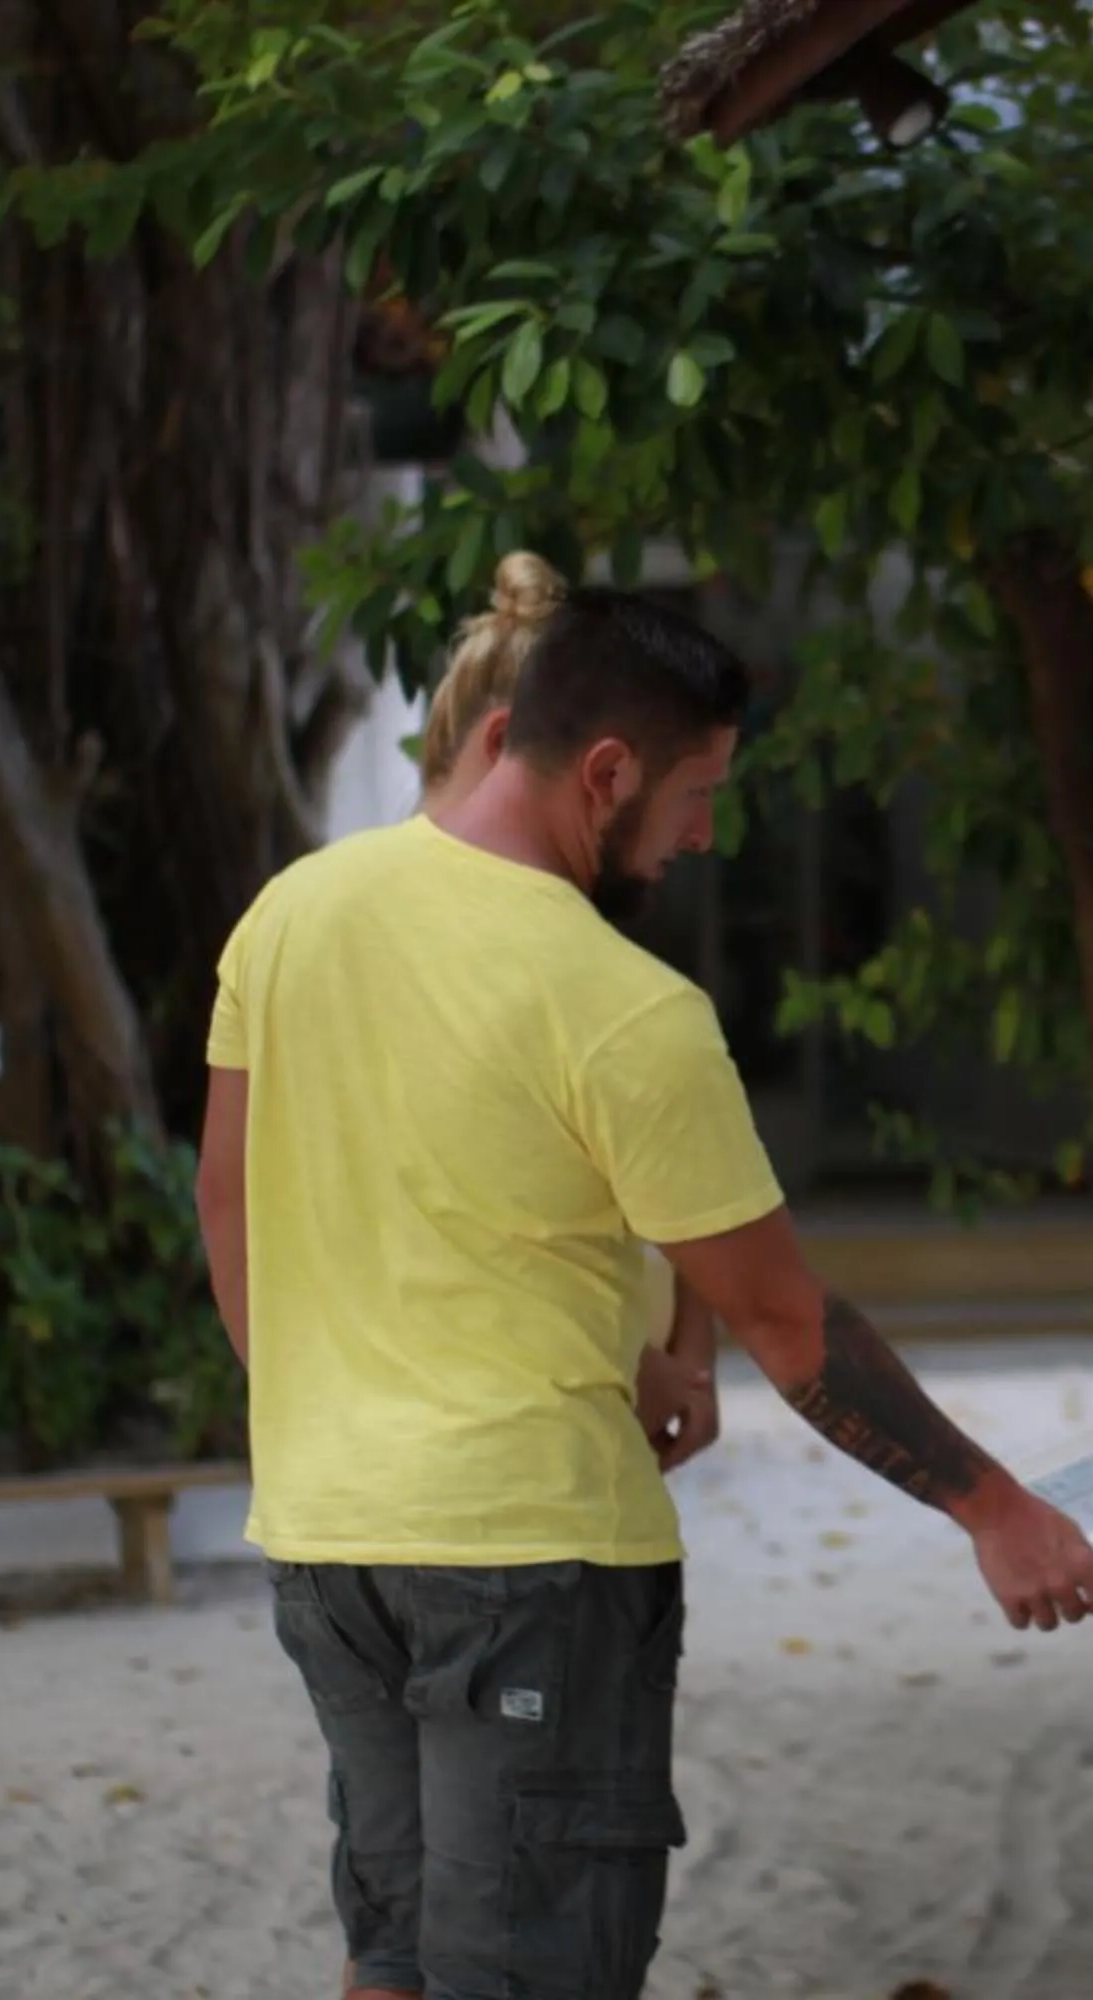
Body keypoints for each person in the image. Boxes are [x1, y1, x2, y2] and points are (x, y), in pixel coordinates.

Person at [194, 585, 1093, 2000]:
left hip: (326, 1538)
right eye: (696, 795)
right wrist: (995, 1507)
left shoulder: (290, 914)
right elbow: (786, 1322)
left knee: (393, 1950)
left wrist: (322, 1416)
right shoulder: (625, 1009)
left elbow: (229, 1197)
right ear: (605, 772)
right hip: (530, 1566)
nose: (702, 835)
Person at [413, 552, 719, 1476]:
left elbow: (690, 1196)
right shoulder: (378, 935)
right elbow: (450, 1236)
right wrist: (641, 1361)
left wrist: (685, 1357)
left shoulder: (579, 944)